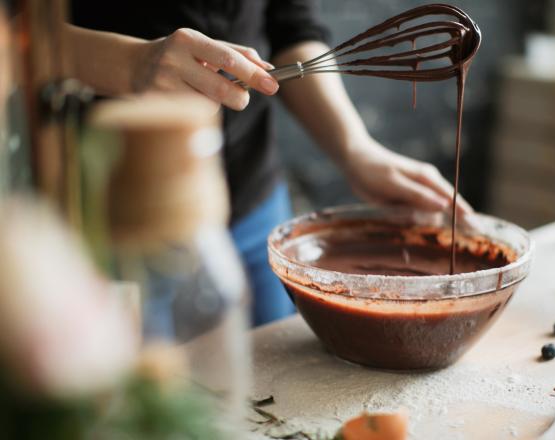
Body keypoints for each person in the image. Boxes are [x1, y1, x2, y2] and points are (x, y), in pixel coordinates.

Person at [66, 1, 474, 327]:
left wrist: (355, 149)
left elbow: (291, 25)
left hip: (256, 206)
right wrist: (128, 63)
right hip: (115, 219)